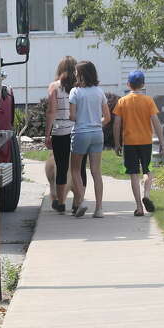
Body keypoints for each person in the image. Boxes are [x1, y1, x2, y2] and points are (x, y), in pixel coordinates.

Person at [113, 69, 163, 216]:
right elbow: (156, 123)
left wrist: (117, 144)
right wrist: (162, 142)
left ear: (128, 84)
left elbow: (117, 124)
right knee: (147, 170)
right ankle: (146, 195)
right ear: (143, 84)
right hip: (145, 142)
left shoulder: (122, 101)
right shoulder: (148, 101)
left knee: (134, 174)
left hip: (129, 143)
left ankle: (139, 208)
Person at [43, 56, 87, 213]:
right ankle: (77, 202)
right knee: (80, 168)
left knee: (62, 167)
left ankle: (61, 203)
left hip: (60, 132)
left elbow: (51, 111)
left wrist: (47, 134)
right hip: (80, 131)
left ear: (59, 69)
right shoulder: (82, 87)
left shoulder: (54, 87)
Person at [68, 60, 111, 218]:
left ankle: (81, 202)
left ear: (80, 74)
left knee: (75, 169)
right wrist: (94, 122)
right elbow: (107, 117)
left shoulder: (75, 92)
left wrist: (80, 118)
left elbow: (72, 116)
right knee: (96, 172)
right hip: (97, 133)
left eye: (76, 72)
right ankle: (99, 209)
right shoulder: (99, 91)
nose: (74, 74)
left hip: (80, 133)